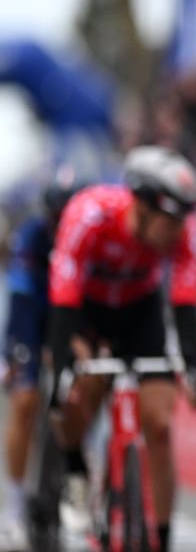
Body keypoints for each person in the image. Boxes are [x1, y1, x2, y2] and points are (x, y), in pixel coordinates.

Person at [48, 146, 196, 551]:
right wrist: (67, 362)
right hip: (87, 311)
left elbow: (186, 296)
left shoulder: (183, 230)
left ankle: (162, 535)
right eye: (170, 222)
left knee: (158, 422)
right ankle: (74, 468)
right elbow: (64, 290)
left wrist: (191, 367)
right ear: (141, 207)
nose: (178, 233)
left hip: (140, 312)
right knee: (75, 397)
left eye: (182, 223)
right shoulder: (90, 214)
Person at [0, 171, 81, 551]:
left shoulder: (88, 237)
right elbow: (20, 298)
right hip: (34, 318)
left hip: (72, 316)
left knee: (83, 391)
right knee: (26, 402)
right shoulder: (31, 237)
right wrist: (14, 356)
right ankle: (14, 506)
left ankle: (73, 473)